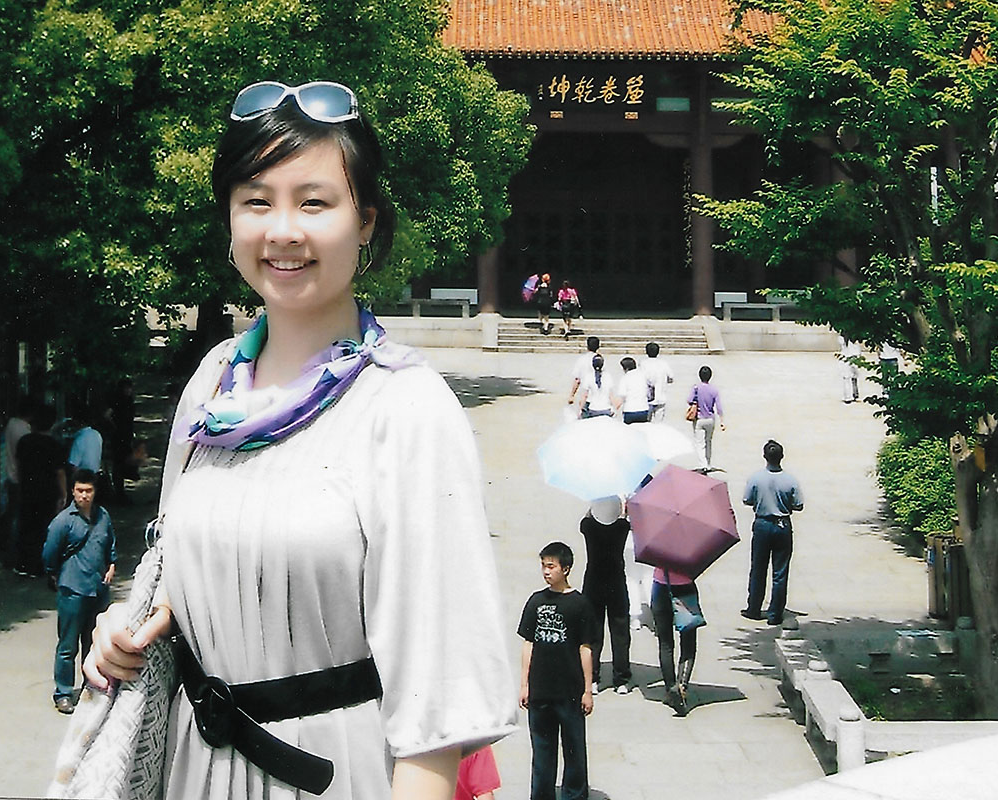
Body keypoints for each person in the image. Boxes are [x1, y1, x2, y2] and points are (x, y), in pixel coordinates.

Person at [84, 80, 516, 799]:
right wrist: (127, 627)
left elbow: (439, 714)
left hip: (333, 769)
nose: (282, 230)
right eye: (257, 201)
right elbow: (179, 573)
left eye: (314, 202)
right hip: (191, 767)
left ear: (366, 222)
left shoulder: (405, 409)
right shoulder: (214, 385)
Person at [518, 541, 594, 800]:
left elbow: (586, 648)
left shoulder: (580, 604)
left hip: (569, 691)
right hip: (540, 690)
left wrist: (587, 689)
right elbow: (528, 643)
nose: (546, 571)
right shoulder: (536, 601)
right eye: (543, 566)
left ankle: (575, 795)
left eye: (551, 566)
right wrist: (524, 684)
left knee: (574, 749)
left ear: (566, 568)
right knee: (542, 751)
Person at [42, 469, 115, 714]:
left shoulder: (103, 516)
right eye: (80, 490)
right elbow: (49, 552)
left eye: (89, 490)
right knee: (67, 646)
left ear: (95, 492)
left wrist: (112, 564)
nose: (84, 495)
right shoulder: (63, 521)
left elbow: (110, 544)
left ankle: (91, 687)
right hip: (72, 590)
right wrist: (55, 573)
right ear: (73, 491)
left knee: (93, 643)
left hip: (98, 589)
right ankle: (63, 693)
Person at [741, 440, 805, 626]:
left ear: (764, 456)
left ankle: (754, 608)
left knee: (758, 568)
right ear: (782, 457)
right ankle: (775, 613)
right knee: (780, 571)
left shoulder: (755, 478)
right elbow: (799, 505)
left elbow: (747, 500)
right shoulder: (790, 480)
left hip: (762, 524)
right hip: (783, 525)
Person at [579, 497, 632, 694]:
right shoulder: (621, 528)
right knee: (620, 632)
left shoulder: (588, 527)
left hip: (593, 582)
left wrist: (591, 506)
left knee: (593, 631)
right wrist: (624, 510)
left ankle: (593, 678)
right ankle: (621, 678)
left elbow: (585, 519)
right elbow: (626, 519)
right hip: (617, 582)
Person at [16, 405, 67, 577]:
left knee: (26, 526)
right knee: (44, 528)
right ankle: (40, 566)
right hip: (47, 491)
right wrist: (64, 493)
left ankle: (23, 564)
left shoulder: (24, 441)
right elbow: (59, 472)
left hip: (27, 489)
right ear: (52, 425)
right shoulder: (54, 445)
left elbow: (18, 465)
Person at [651, 566, 705, 717]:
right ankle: (682, 686)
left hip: (660, 585)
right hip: (685, 585)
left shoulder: (657, 541)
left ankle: (670, 688)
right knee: (688, 642)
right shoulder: (688, 541)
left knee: (665, 643)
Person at [1, 399, 33, 570]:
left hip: (9, 475)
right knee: (17, 519)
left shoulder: (11, 424)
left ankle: (9, 553)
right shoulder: (24, 431)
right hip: (19, 478)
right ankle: (13, 556)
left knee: (11, 516)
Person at [687, 366, 725, 472]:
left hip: (699, 419)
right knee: (708, 441)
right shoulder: (714, 390)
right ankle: (708, 463)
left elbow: (689, 400)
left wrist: (695, 402)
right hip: (710, 419)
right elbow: (719, 407)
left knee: (699, 443)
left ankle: (703, 464)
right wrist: (722, 421)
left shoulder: (696, 388)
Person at [107, 377, 136, 501]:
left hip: (126, 434)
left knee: (123, 462)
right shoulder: (117, 401)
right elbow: (107, 414)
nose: (128, 390)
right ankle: (119, 492)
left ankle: (121, 490)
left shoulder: (129, 401)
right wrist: (114, 426)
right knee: (118, 464)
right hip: (118, 436)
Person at [640, 342, 673, 421]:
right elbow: (671, 377)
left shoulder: (643, 364)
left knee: (646, 424)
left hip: (647, 399)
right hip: (661, 398)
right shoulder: (663, 364)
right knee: (659, 425)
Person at [566, 336, 600, 411]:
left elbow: (577, 380)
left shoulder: (582, 360)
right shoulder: (600, 360)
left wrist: (572, 395)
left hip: (586, 394)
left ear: (587, 346)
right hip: (599, 395)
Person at [614, 357, 650, 424]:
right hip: (643, 408)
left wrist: (615, 408)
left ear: (626, 368)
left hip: (630, 409)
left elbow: (622, 397)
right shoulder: (643, 375)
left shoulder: (625, 378)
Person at [577, 354, 614, 418]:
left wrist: (580, 409)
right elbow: (611, 395)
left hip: (593, 409)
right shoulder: (608, 376)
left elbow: (585, 396)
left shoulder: (588, 376)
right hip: (606, 408)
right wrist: (614, 408)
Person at [839, 336, 862, 403]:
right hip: (855, 357)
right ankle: (855, 395)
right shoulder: (856, 337)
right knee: (854, 378)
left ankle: (847, 397)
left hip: (846, 358)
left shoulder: (842, 338)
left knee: (846, 379)